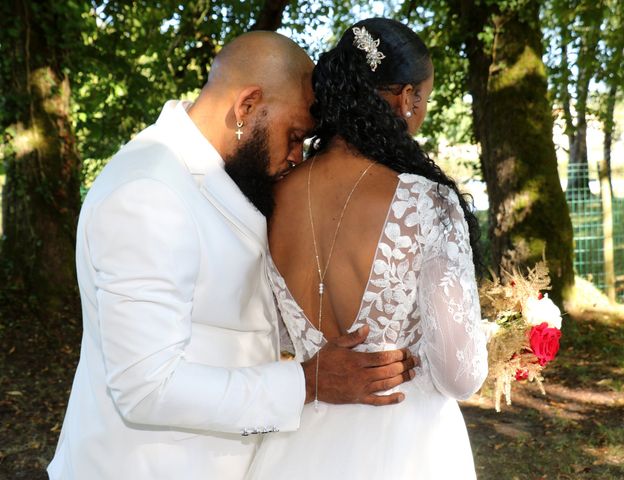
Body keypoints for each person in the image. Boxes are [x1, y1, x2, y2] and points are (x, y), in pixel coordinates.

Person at [47, 31, 417, 480]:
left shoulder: (224, 176)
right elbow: (146, 387)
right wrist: (308, 381)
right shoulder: (148, 192)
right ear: (246, 106)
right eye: (295, 135)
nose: (298, 156)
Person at [247, 18, 489, 479]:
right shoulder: (427, 202)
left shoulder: (271, 196)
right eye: (425, 100)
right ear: (406, 98)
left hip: (298, 443)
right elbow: (461, 375)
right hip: (408, 446)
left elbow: (275, 337)